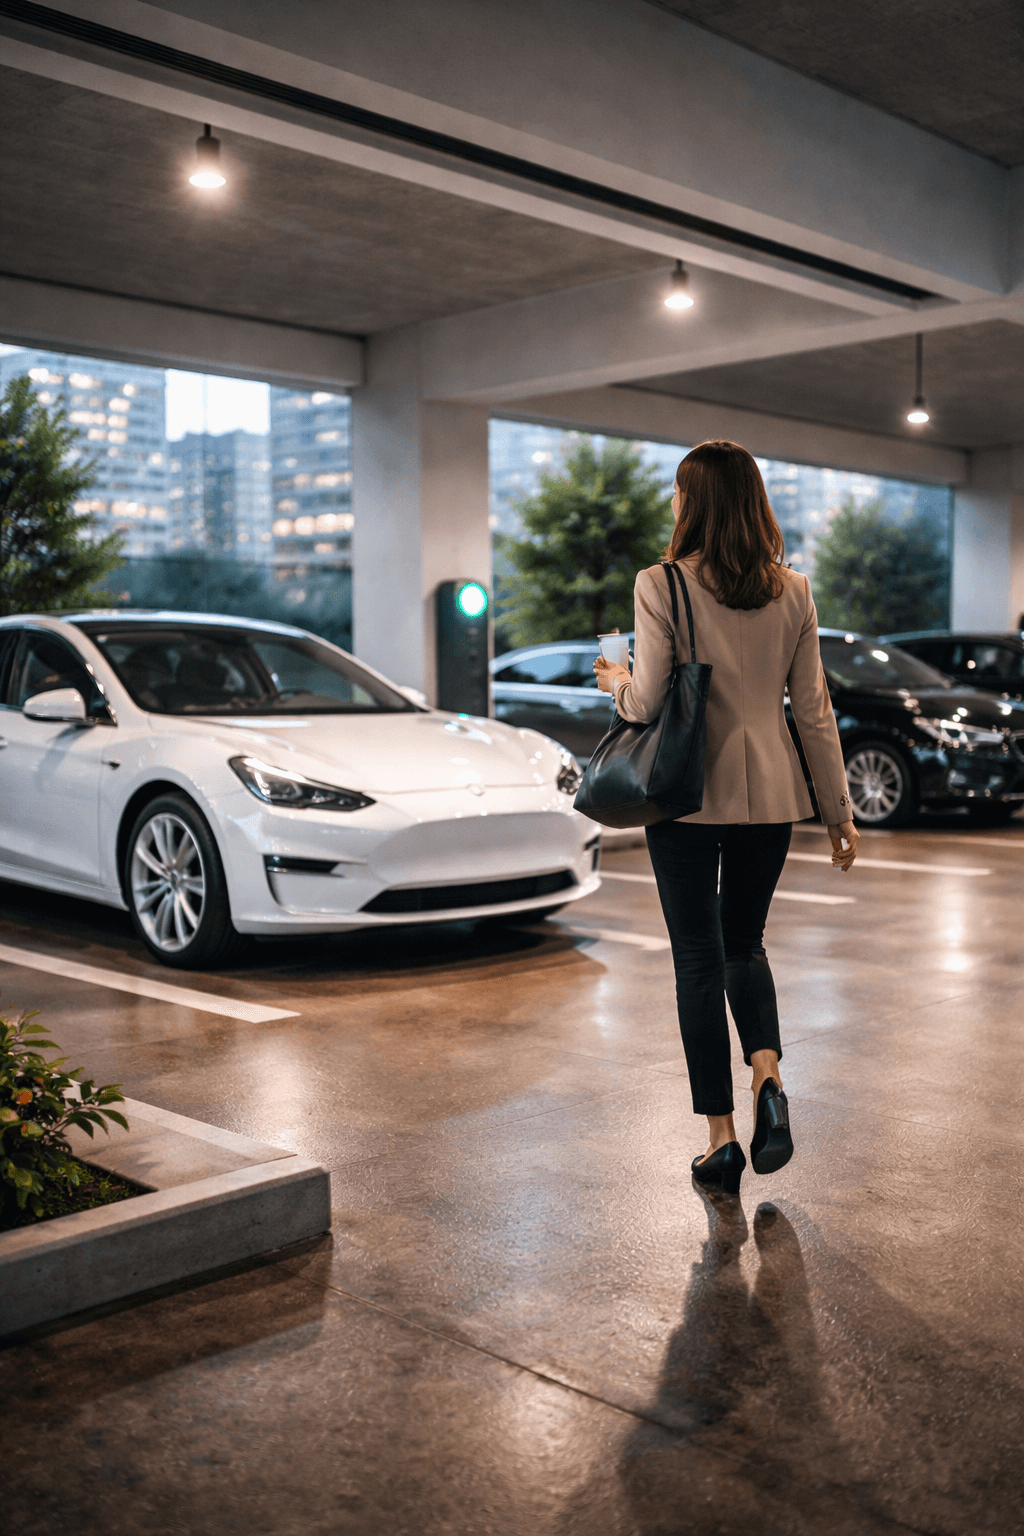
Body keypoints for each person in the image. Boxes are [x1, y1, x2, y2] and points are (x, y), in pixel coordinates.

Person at [594, 440, 859, 1196]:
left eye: (680, 493)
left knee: (698, 962)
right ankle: (768, 1079)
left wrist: (615, 679)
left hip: (685, 798)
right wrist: (838, 812)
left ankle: (720, 1140)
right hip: (771, 794)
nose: (674, 505)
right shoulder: (795, 591)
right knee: (746, 942)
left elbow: (646, 704)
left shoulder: (661, 582)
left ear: (695, 502)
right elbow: (813, 712)